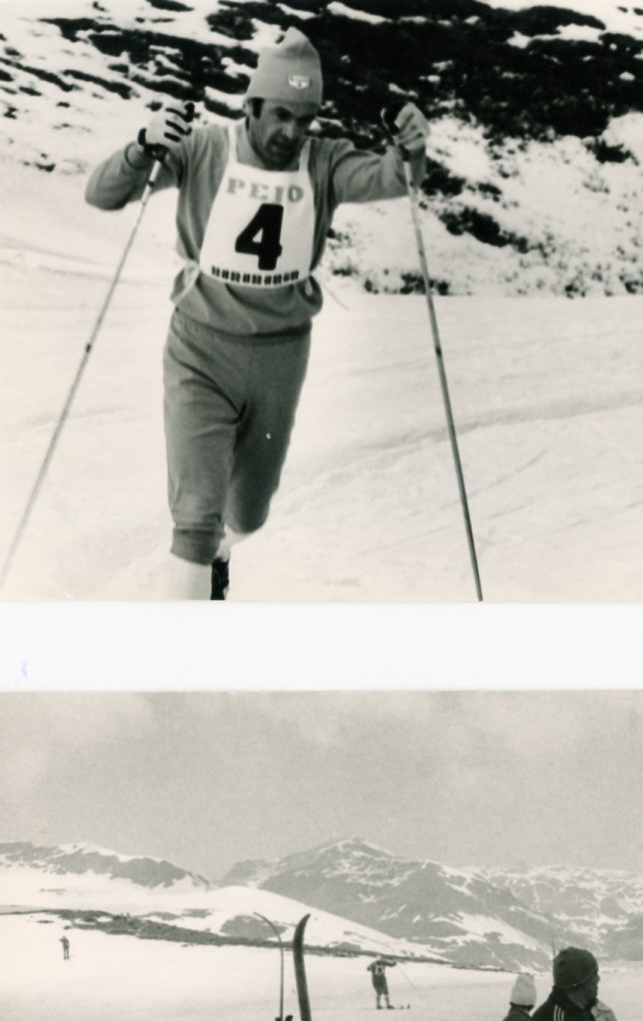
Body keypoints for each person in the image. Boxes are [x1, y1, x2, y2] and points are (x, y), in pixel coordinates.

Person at [83, 30, 430, 599]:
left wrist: (411, 145)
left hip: (280, 354)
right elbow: (101, 194)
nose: (291, 132)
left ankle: (222, 549)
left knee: (248, 513)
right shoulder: (203, 148)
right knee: (195, 515)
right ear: (252, 106)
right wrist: (141, 146)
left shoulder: (324, 162)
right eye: (281, 116)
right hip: (200, 347)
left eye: (305, 119)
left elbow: (397, 178)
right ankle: (186, 640)